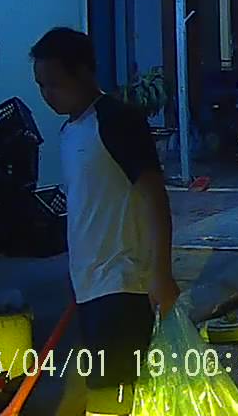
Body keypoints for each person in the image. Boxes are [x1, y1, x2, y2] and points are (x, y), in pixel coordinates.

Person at [30, 28, 178, 416]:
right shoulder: (70, 131)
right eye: (41, 85)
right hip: (91, 285)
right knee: (109, 391)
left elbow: (153, 195)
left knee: (111, 396)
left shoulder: (116, 120)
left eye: (54, 84)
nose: (47, 95)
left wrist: (160, 274)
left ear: (83, 72)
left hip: (123, 282)